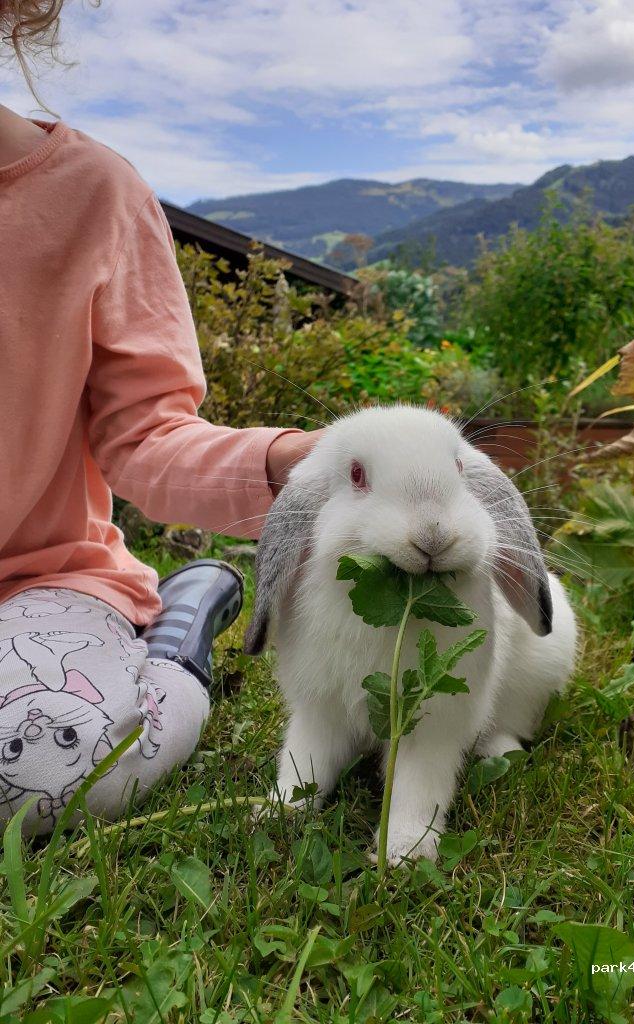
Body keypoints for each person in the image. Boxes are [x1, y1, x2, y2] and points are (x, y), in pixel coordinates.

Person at [0, 2, 321, 833]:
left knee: (43, 762)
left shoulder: (91, 194)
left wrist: (305, 459)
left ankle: (174, 645)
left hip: (38, 581)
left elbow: (146, 442)